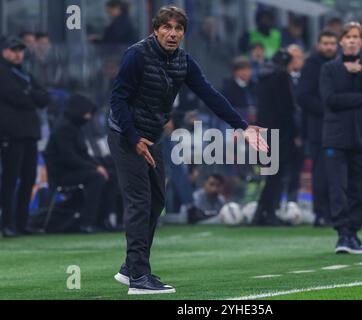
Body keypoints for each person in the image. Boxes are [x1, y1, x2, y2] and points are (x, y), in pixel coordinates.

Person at [107, 6, 268, 295]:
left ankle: (131, 267)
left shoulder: (184, 61)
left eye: (178, 28)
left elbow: (209, 94)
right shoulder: (136, 54)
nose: (172, 33)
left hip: (153, 136)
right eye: (167, 27)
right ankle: (139, 278)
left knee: (157, 202)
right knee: (140, 202)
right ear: (155, 30)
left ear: (183, 33)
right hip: (126, 135)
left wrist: (242, 127)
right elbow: (116, 99)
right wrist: (133, 137)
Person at [320, 22, 362, 254]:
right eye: (347, 36)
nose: (352, 40)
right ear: (341, 41)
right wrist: (361, 96)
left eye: (356, 37)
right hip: (336, 137)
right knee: (339, 188)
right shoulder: (329, 69)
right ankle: (342, 235)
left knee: (359, 189)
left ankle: (354, 233)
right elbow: (331, 100)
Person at [0, 36, 50, 237]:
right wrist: (31, 96)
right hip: (11, 134)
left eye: (20, 50)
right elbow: (14, 96)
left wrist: (29, 94)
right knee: (10, 180)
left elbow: (44, 97)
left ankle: (22, 223)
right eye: (13, 50)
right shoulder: (3, 72)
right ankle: (7, 224)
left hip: (30, 133)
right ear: (4, 51)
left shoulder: (24, 73)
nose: (18, 54)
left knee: (28, 179)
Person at [44, 94, 115, 233]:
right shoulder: (63, 128)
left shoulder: (75, 128)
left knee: (112, 176)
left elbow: (83, 155)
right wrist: (95, 168)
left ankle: (104, 219)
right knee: (97, 177)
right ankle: (87, 222)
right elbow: (68, 157)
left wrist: (98, 166)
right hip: (63, 174)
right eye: (87, 112)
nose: (88, 117)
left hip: (76, 170)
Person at [252, 49, 298, 226]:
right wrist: (295, 132)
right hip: (280, 132)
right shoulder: (281, 77)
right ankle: (268, 212)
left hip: (264, 130)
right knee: (276, 175)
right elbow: (287, 109)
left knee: (270, 174)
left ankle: (260, 212)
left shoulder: (263, 78)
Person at [298, 30, 338, 227]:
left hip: (339, 129)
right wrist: (330, 109)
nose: (329, 47)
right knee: (321, 172)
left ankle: (335, 211)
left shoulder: (340, 64)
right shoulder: (312, 65)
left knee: (337, 172)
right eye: (326, 43)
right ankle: (321, 213)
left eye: (332, 43)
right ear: (318, 45)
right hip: (319, 129)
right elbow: (304, 97)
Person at [286, 44, 305, 202]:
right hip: (283, 132)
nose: (295, 61)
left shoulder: (308, 79)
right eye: (292, 57)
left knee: (296, 170)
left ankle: (292, 202)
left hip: (303, 132)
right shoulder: (278, 78)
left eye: (299, 57)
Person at [221, 56, 257, 124]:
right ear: (235, 71)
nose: (246, 72)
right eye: (243, 69)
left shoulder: (255, 86)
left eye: (248, 69)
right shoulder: (228, 88)